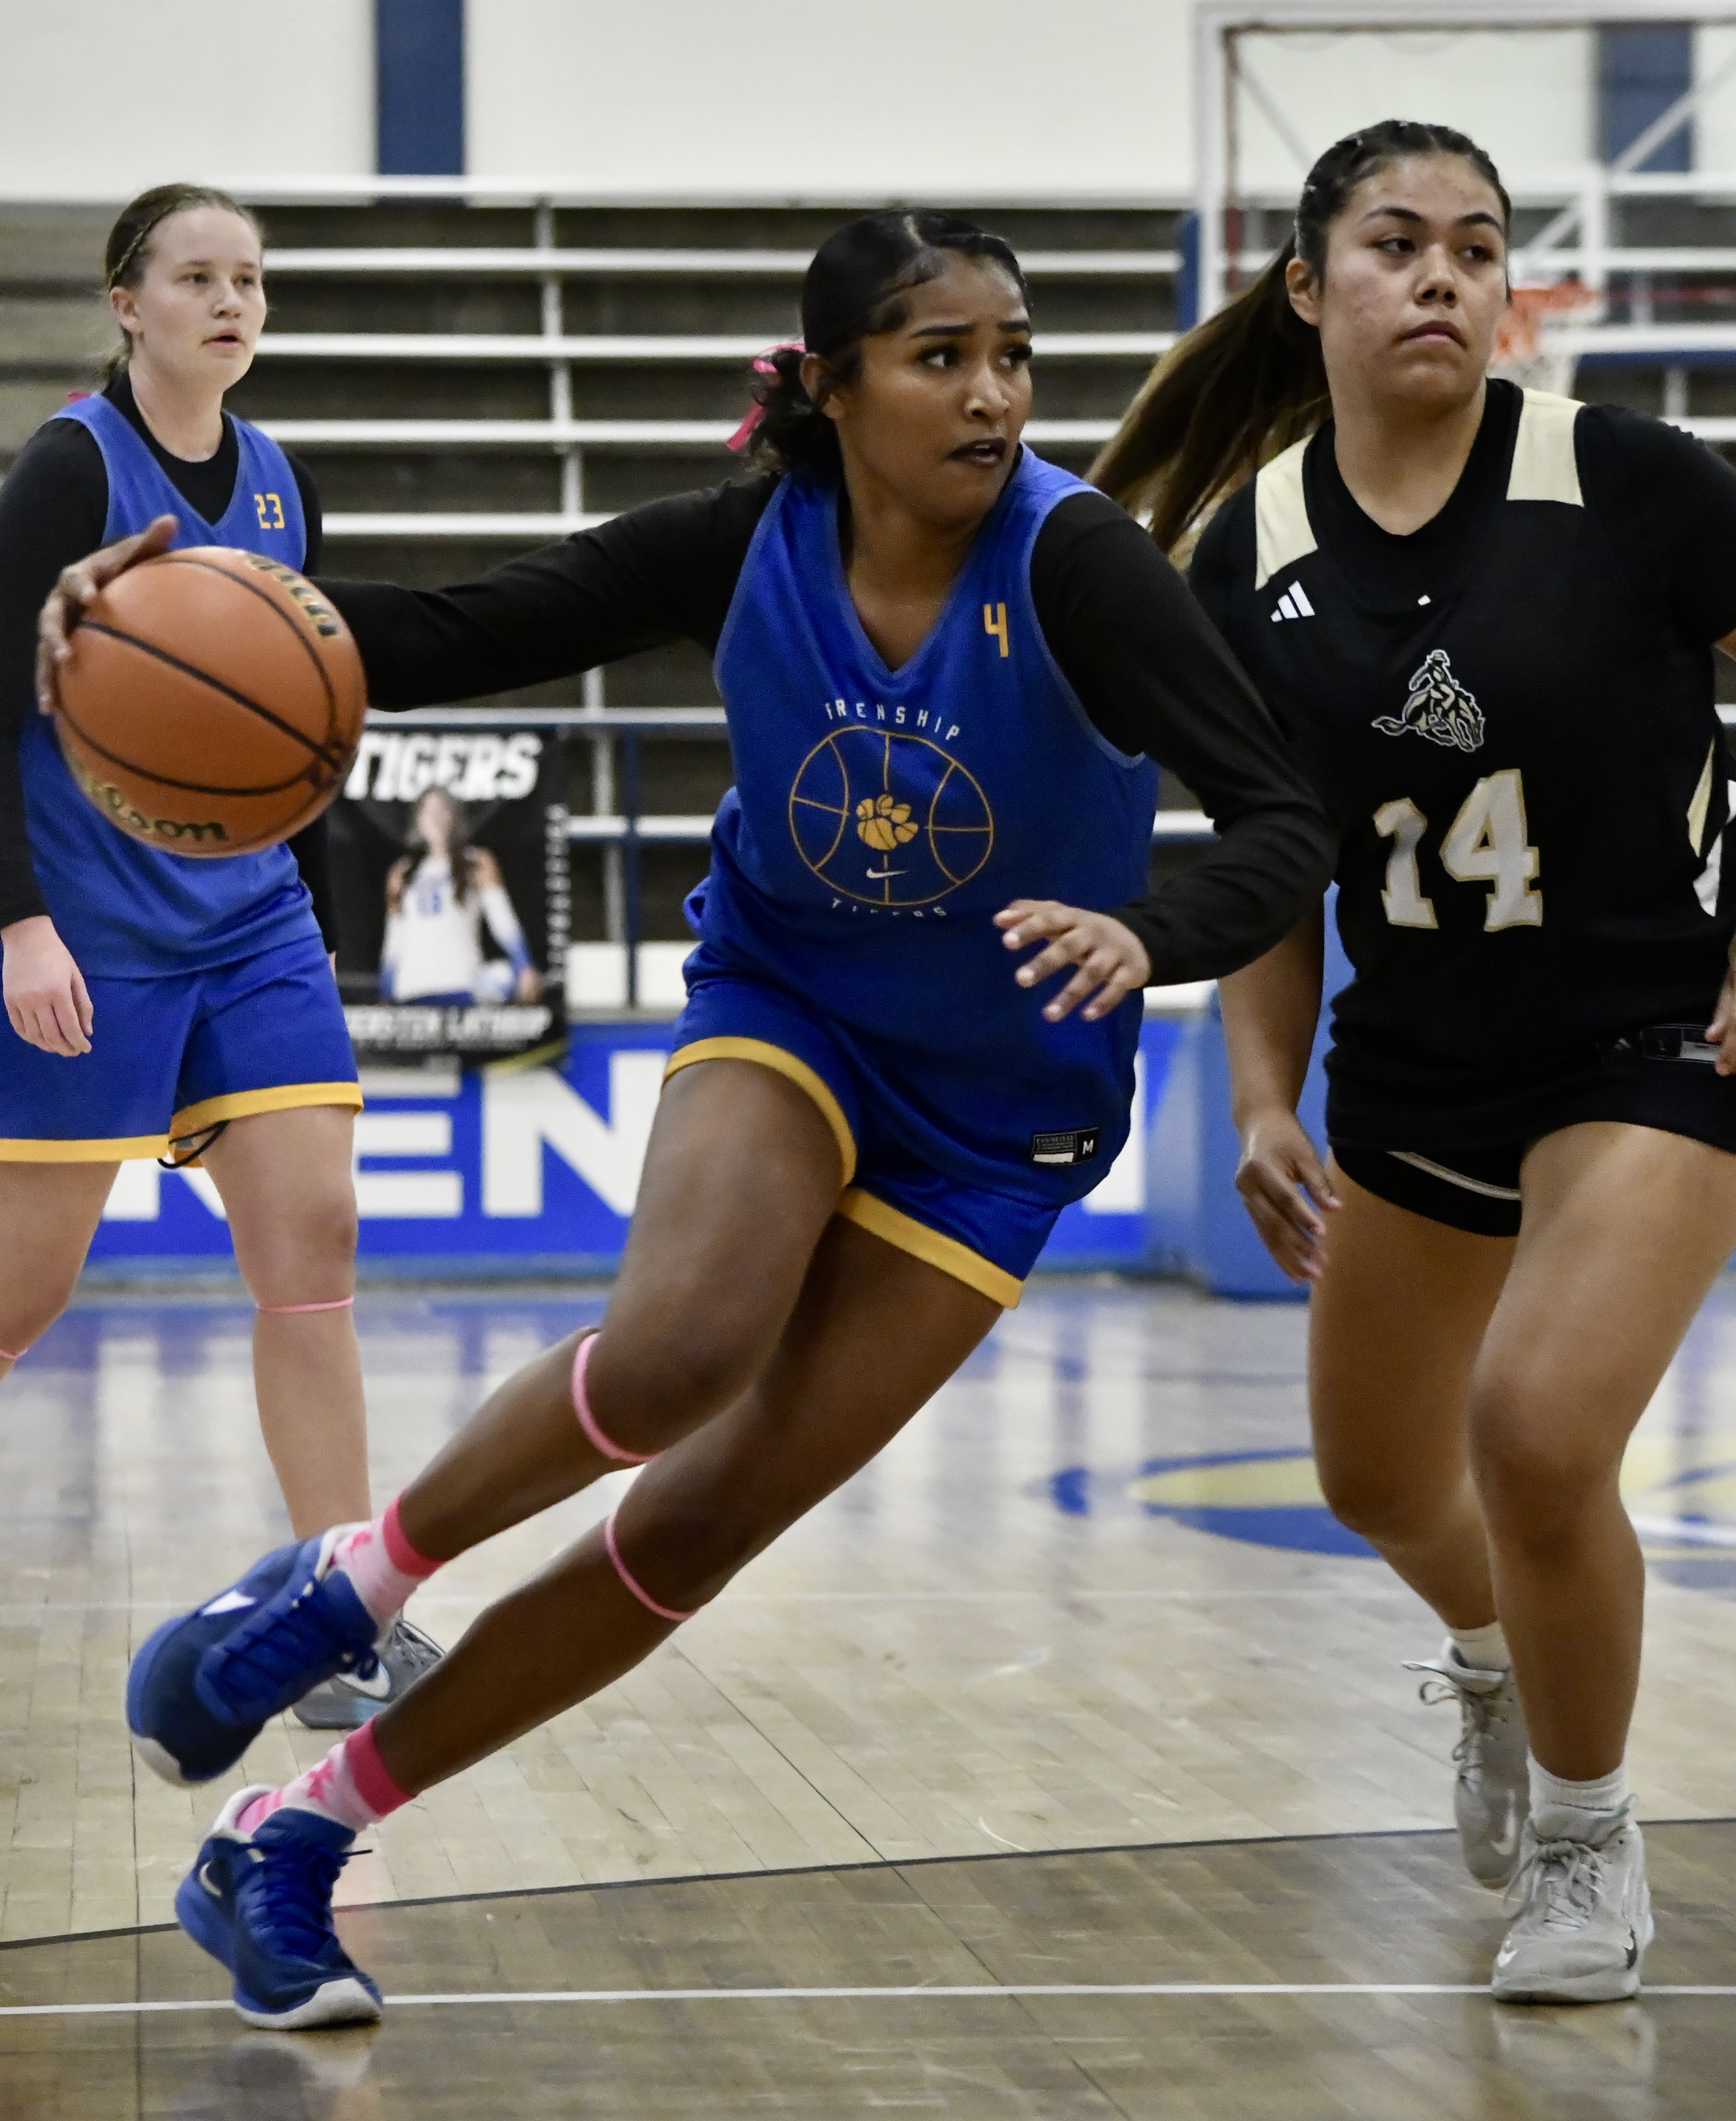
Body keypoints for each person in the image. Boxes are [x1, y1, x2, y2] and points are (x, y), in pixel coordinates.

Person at [103, 208, 1336, 2029]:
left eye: (1012, 356)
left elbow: (1283, 821)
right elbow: (458, 627)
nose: (991, 394)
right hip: (795, 1002)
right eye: (941, 357)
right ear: (832, 387)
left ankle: (290, 1836)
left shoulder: (1076, 561)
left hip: (1002, 1113)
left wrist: (1150, 930)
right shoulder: (744, 539)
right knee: (680, 1347)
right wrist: (165, 613)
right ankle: (349, 1586)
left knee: (693, 1533)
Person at [1093, 117, 1736, 2004]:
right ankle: (1496, 1660)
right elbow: (1269, 859)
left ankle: (1588, 1842)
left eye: (1475, 244)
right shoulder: (1245, 553)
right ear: (1310, 287)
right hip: (1417, 1060)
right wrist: (1261, 1091)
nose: (1442, 273)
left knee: (1533, 1432)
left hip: (1647, 1034)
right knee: (1379, 1476)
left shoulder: (1630, 480)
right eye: (1396, 242)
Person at [0, 182, 439, 1729]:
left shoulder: (279, 481)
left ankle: (338, 1621)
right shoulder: (69, 468)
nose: (231, 301)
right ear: (127, 303)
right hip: (89, 929)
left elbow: (293, 733)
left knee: (315, 1242)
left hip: (251, 924)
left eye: (248, 278)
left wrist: (308, 912)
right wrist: (18, 923)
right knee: (22, 1293)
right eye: (197, 277)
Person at [380, 787, 541, 1006]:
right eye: (427, 812)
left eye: (441, 810)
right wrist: (386, 992)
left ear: (454, 817)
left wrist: (524, 965)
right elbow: (395, 937)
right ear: (418, 820)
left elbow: (501, 919)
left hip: (462, 983)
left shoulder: (475, 862)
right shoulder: (403, 872)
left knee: (506, 974)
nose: (435, 819)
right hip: (413, 987)